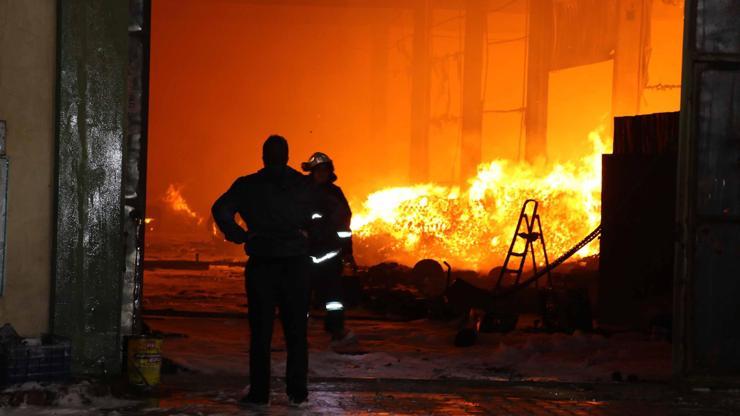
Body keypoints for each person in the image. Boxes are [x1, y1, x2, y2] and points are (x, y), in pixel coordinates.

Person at [212, 135, 314, 407]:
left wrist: (239, 235)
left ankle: (259, 394)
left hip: (262, 264)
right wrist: (308, 237)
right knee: (296, 332)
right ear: (288, 156)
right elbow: (323, 214)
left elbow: (221, 209)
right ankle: (298, 393)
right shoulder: (303, 185)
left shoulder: (247, 186)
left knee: (260, 333)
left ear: (263, 156)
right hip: (296, 265)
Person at [301, 152, 355, 341]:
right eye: (319, 170)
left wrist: (347, 251)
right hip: (304, 254)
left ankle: (335, 328)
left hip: (330, 255)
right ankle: (298, 327)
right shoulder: (301, 192)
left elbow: (345, 226)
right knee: (300, 294)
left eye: (325, 170)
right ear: (313, 171)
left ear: (330, 172)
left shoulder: (335, 194)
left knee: (334, 298)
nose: (322, 174)